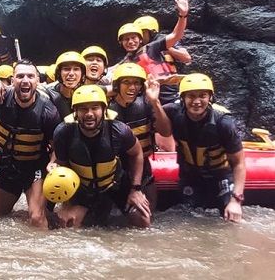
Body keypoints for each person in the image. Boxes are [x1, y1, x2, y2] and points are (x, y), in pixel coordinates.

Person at [0, 59, 60, 227]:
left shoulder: (48, 111)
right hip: (7, 166)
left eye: (30, 76)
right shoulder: (1, 96)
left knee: (36, 218)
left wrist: (52, 162)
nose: (25, 80)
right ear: (13, 80)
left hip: (34, 167)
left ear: (38, 80)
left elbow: (57, 144)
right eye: (20, 76)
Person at [52, 85, 151, 228]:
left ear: (104, 110)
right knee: (67, 223)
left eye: (95, 108)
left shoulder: (119, 130)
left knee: (143, 220)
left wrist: (135, 189)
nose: (89, 114)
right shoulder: (63, 133)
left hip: (114, 186)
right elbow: (63, 167)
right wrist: (67, 203)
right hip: (83, 191)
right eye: (83, 109)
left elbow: (136, 154)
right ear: (75, 112)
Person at [162, 74, 245, 222]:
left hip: (221, 176)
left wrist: (236, 201)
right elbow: (148, 109)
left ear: (210, 97)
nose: (197, 101)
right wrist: (155, 95)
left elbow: (239, 163)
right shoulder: (173, 112)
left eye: (203, 96)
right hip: (191, 177)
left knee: (232, 218)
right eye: (191, 96)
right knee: (185, 218)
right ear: (182, 98)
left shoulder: (223, 122)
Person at [108, 63, 173, 211]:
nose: (132, 87)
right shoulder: (105, 107)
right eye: (127, 82)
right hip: (116, 170)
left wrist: (155, 102)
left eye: (136, 83)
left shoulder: (146, 103)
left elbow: (165, 132)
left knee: (146, 219)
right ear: (117, 85)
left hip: (143, 168)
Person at [118, 0, 190, 104]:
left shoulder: (153, 47)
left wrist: (183, 15)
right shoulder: (127, 60)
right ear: (121, 43)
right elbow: (112, 71)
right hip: (151, 99)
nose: (130, 41)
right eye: (126, 39)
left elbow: (177, 35)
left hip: (172, 93)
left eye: (134, 37)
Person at [44, 51, 87, 119]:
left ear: (82, 74)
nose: (71, 73)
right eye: (66, 69)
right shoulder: (46, 94)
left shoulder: (87, 92)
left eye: (76, 69)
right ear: (59, 73)